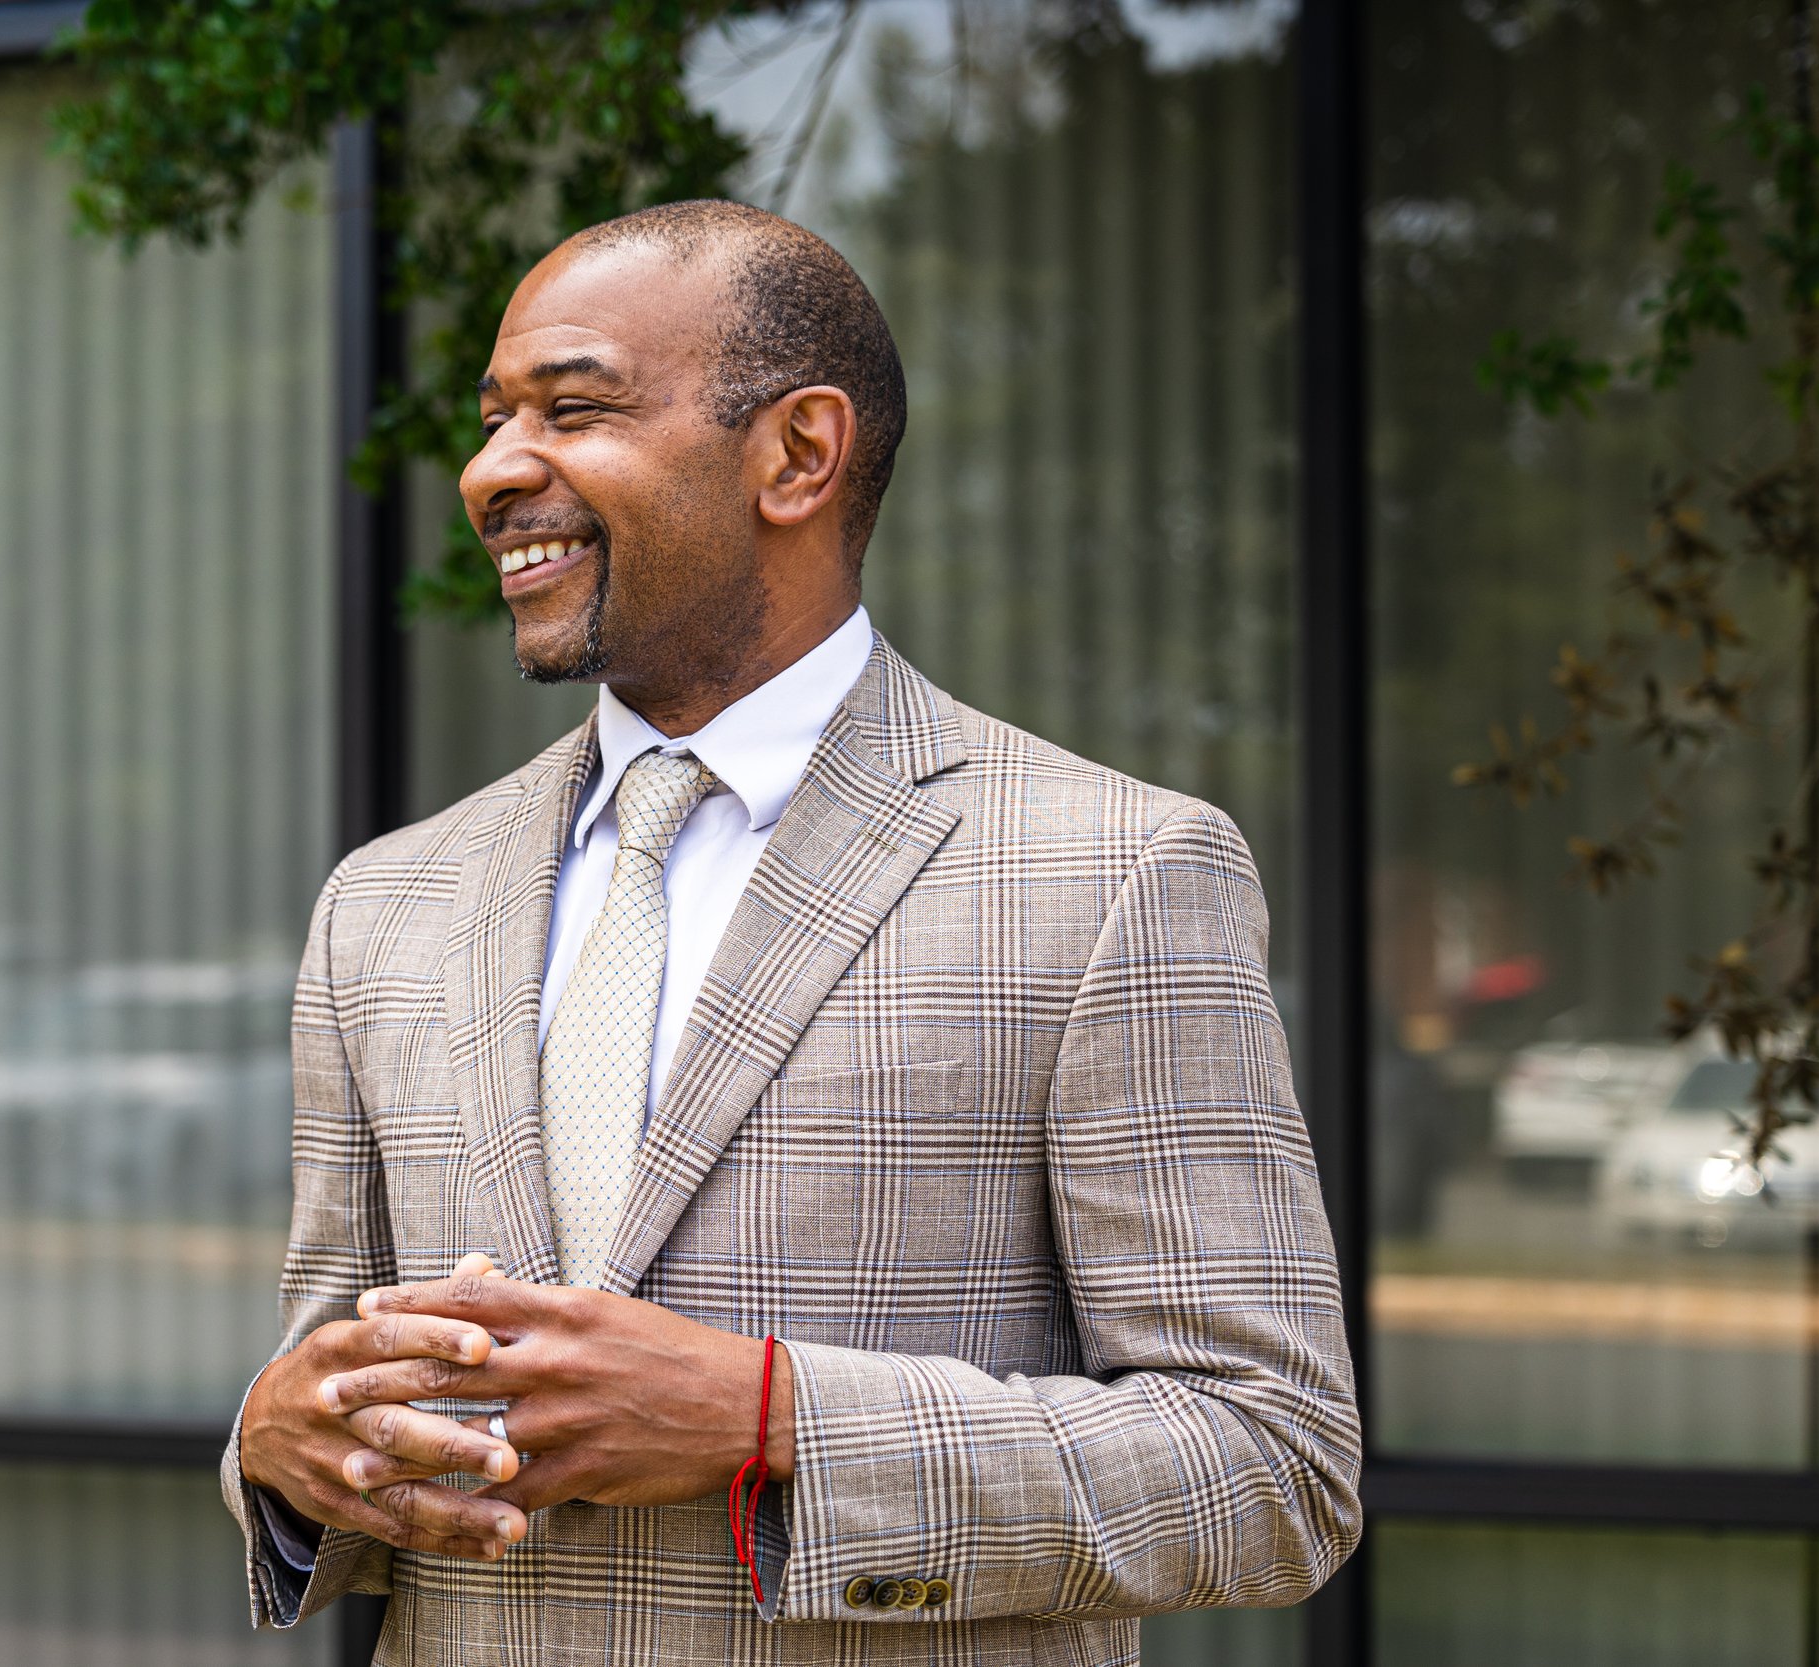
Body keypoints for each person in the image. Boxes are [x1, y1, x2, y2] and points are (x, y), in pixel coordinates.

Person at [223, 199, 1360, 1663]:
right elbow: (336, 1393)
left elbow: (1274, 1465)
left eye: (573, 408)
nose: (494, 472)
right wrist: (278, 1446)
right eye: (496, 418)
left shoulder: (1114, 874)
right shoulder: (387, 902)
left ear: (799, 454)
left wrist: (769, 1419)